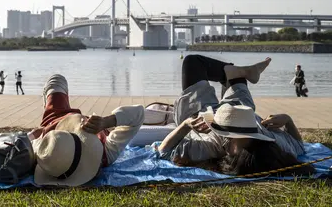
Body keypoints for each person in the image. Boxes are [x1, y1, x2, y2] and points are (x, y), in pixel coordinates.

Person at [156, 55, 315, 176]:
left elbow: (164, 151)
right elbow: (299, 146)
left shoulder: (209, 147)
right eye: (251, 138)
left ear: (231, 155)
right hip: (241, 109)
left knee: (192, 63)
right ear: (260, 141)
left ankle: (245, 72)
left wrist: (186, 126)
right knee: (233, 73)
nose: (248, 138)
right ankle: (245, 72)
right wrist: (288, 120)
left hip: (201, 113)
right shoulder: (273, 144)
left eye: (240, 142)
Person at [27, 74, 144, 187]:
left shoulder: (44, 151)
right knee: (57, 81)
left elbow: (29, 139)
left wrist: (33, 135)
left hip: (53, 121)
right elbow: (138, 113)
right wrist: (106, 122)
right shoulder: (106, 154)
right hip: (58, 127)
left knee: (56, 79)